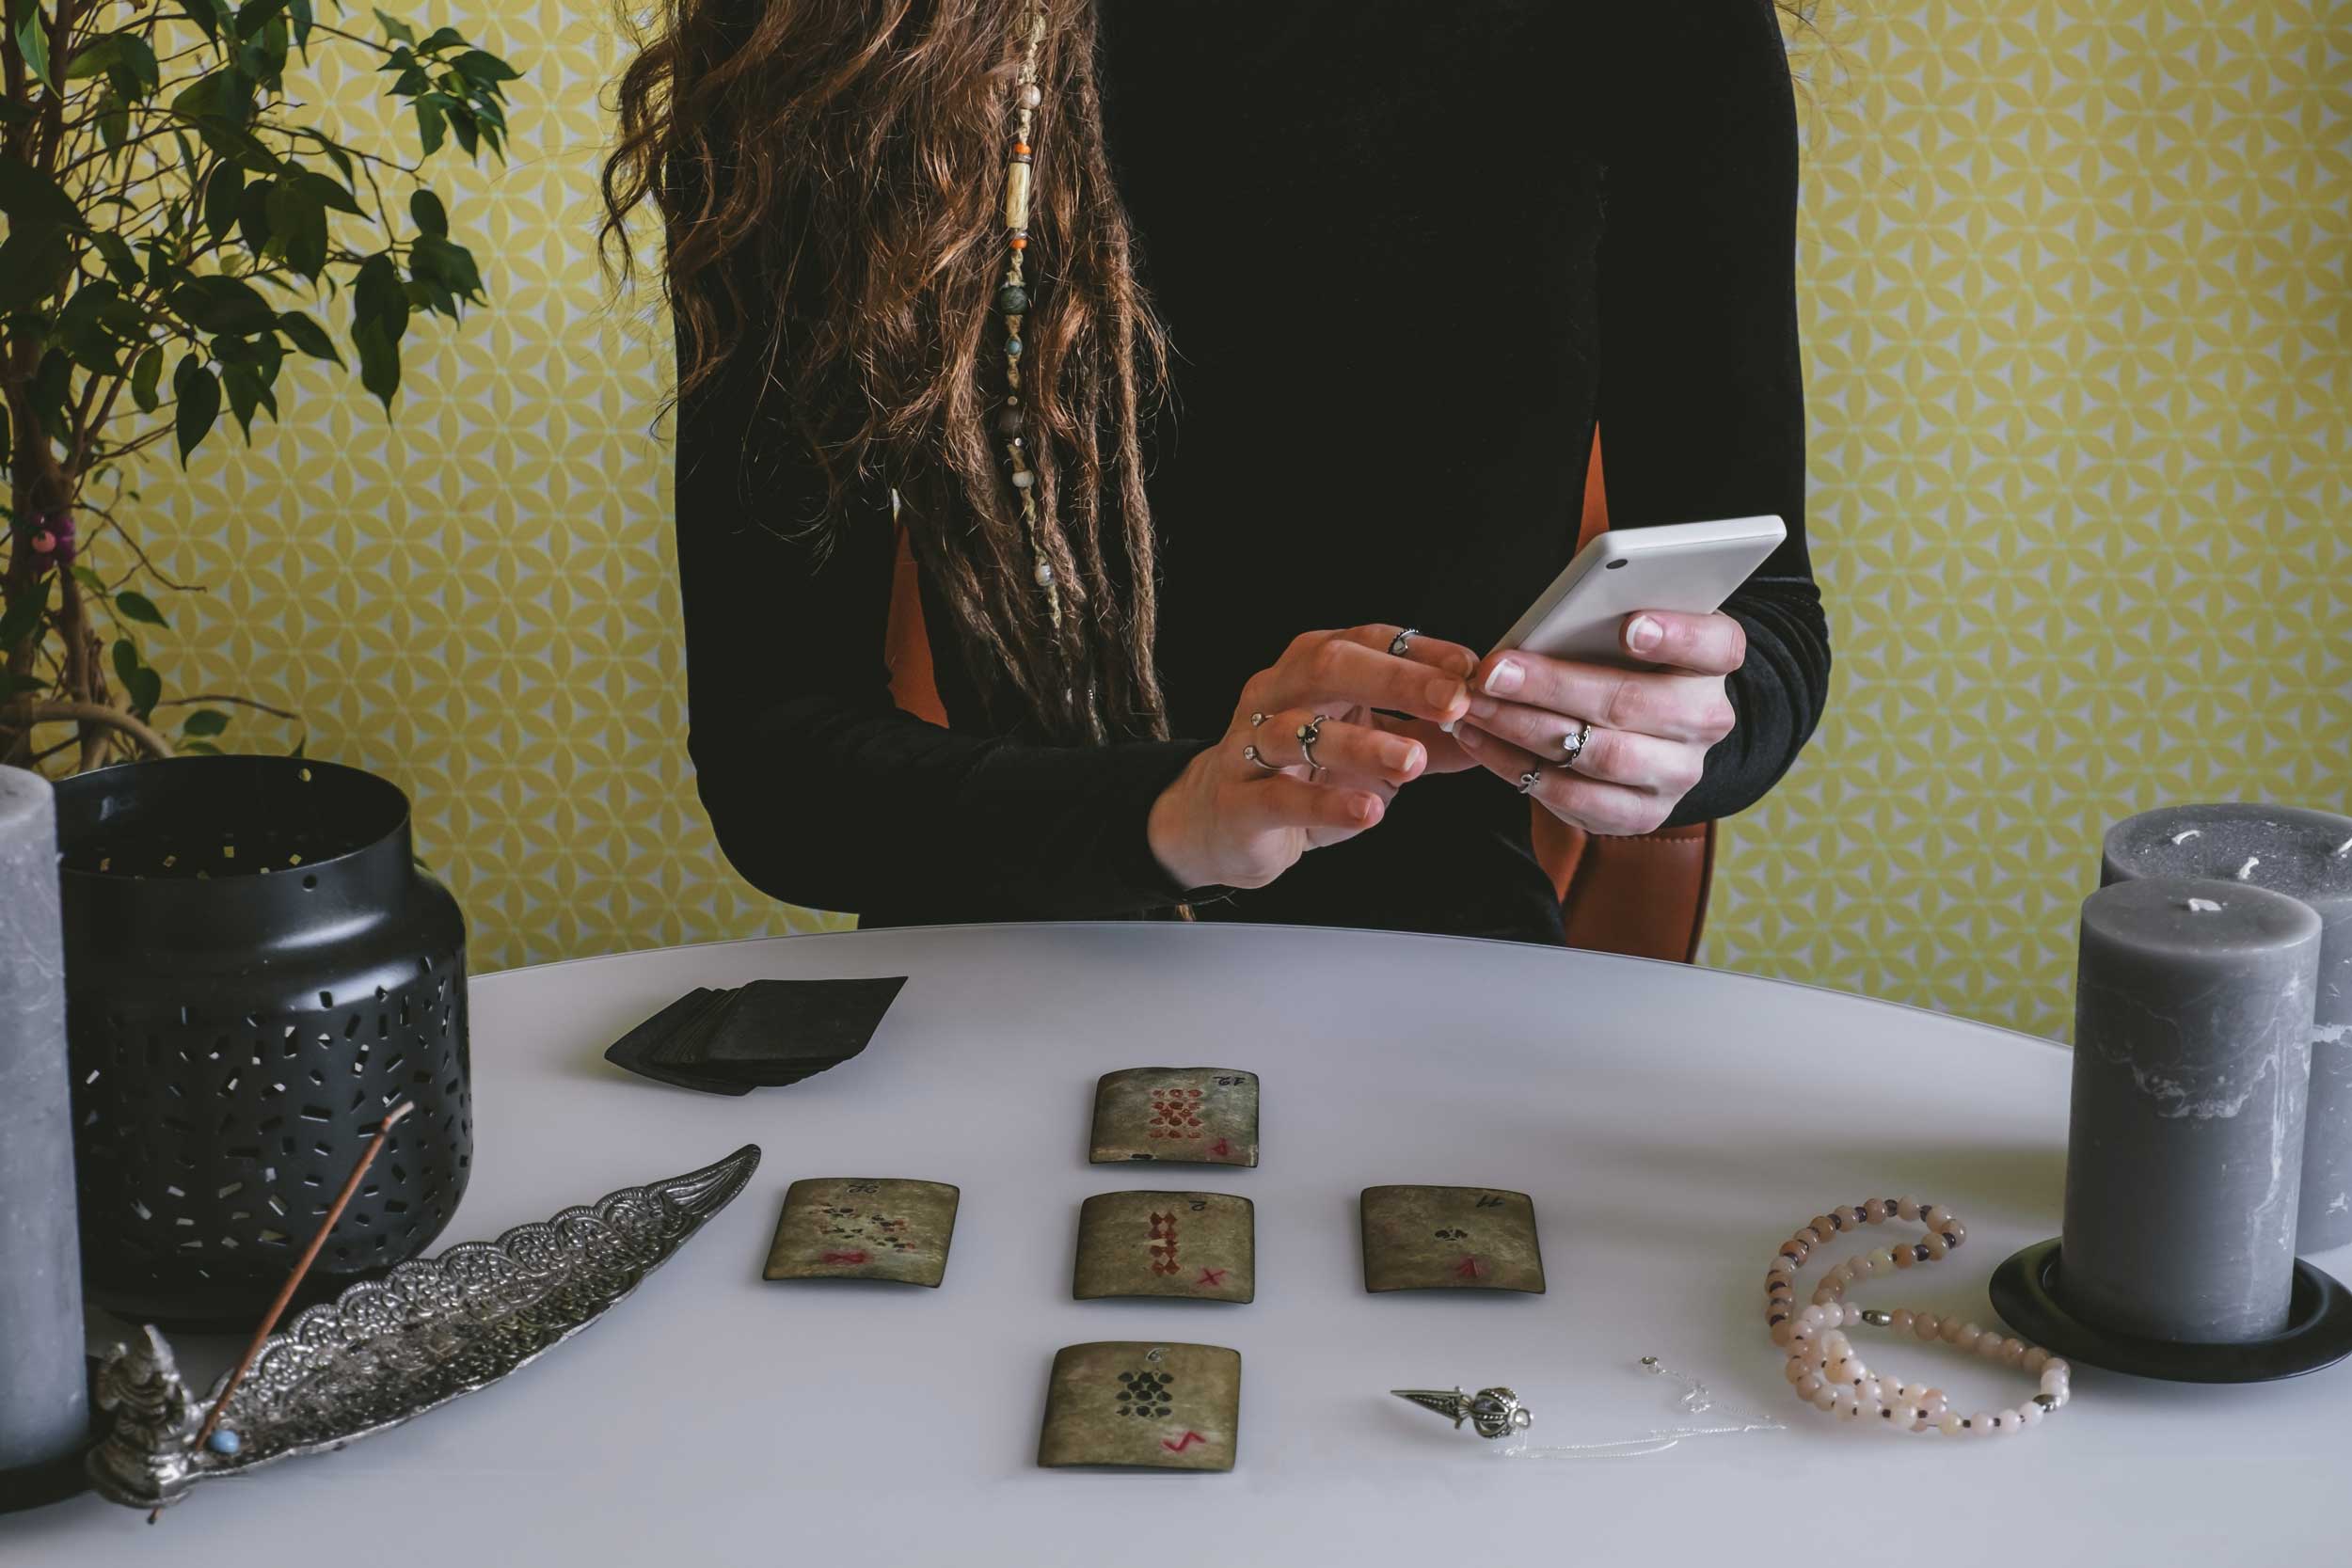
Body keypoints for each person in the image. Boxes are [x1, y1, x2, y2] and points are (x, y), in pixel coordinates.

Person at [603, 0, 1830, 944]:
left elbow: (1767, 624)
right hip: (1002, 981)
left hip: (1439, 991)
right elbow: (775, 759)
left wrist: (1685, 725)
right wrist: (1178, 812)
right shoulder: (827, 34)